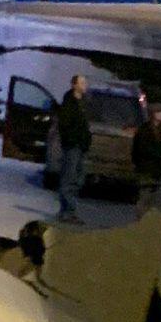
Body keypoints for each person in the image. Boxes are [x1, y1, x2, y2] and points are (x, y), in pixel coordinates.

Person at [51, 75, 92, 220]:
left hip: (81, 146)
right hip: (72, 146)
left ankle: (67, 209)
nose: (85, 85)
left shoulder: (84, 103)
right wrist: (71, 140)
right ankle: (68, 211)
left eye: (85, 82)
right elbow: (65, 125)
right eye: (82, 83)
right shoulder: (69, 103)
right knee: (69, 177)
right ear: (74, 85)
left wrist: (86, 141)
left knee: (79, 178)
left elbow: (85, 125)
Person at [131, 101, 161, 212]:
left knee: (152, 198)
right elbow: (141, 149)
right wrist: (158, 155)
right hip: (146, 167)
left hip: (156, 169)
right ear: (152, 114)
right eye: (158, 112)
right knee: (144, 195)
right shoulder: (145, 130)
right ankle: (140, 221)